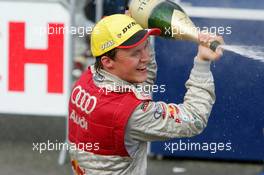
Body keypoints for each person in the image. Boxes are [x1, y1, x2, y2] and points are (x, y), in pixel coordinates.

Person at [68, 14, 223, 175]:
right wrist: (202, 63)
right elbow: (194, 119)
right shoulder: (132, 113)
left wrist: (136, 23)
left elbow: (140, 85)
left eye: (146, 45)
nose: (147, 57)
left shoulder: (88, 79)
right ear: (108, 61)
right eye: (136, 53)